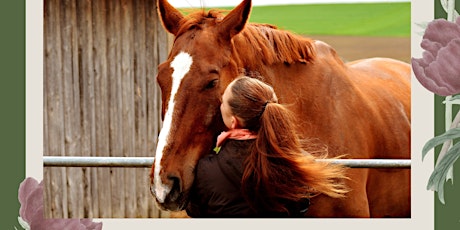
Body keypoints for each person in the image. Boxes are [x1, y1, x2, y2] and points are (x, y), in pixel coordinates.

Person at [186, 76, 349, 218]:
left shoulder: (205, 170)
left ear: (233, 122)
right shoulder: (297, 165)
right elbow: (301, 206)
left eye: (222, 102)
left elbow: (196, 211)